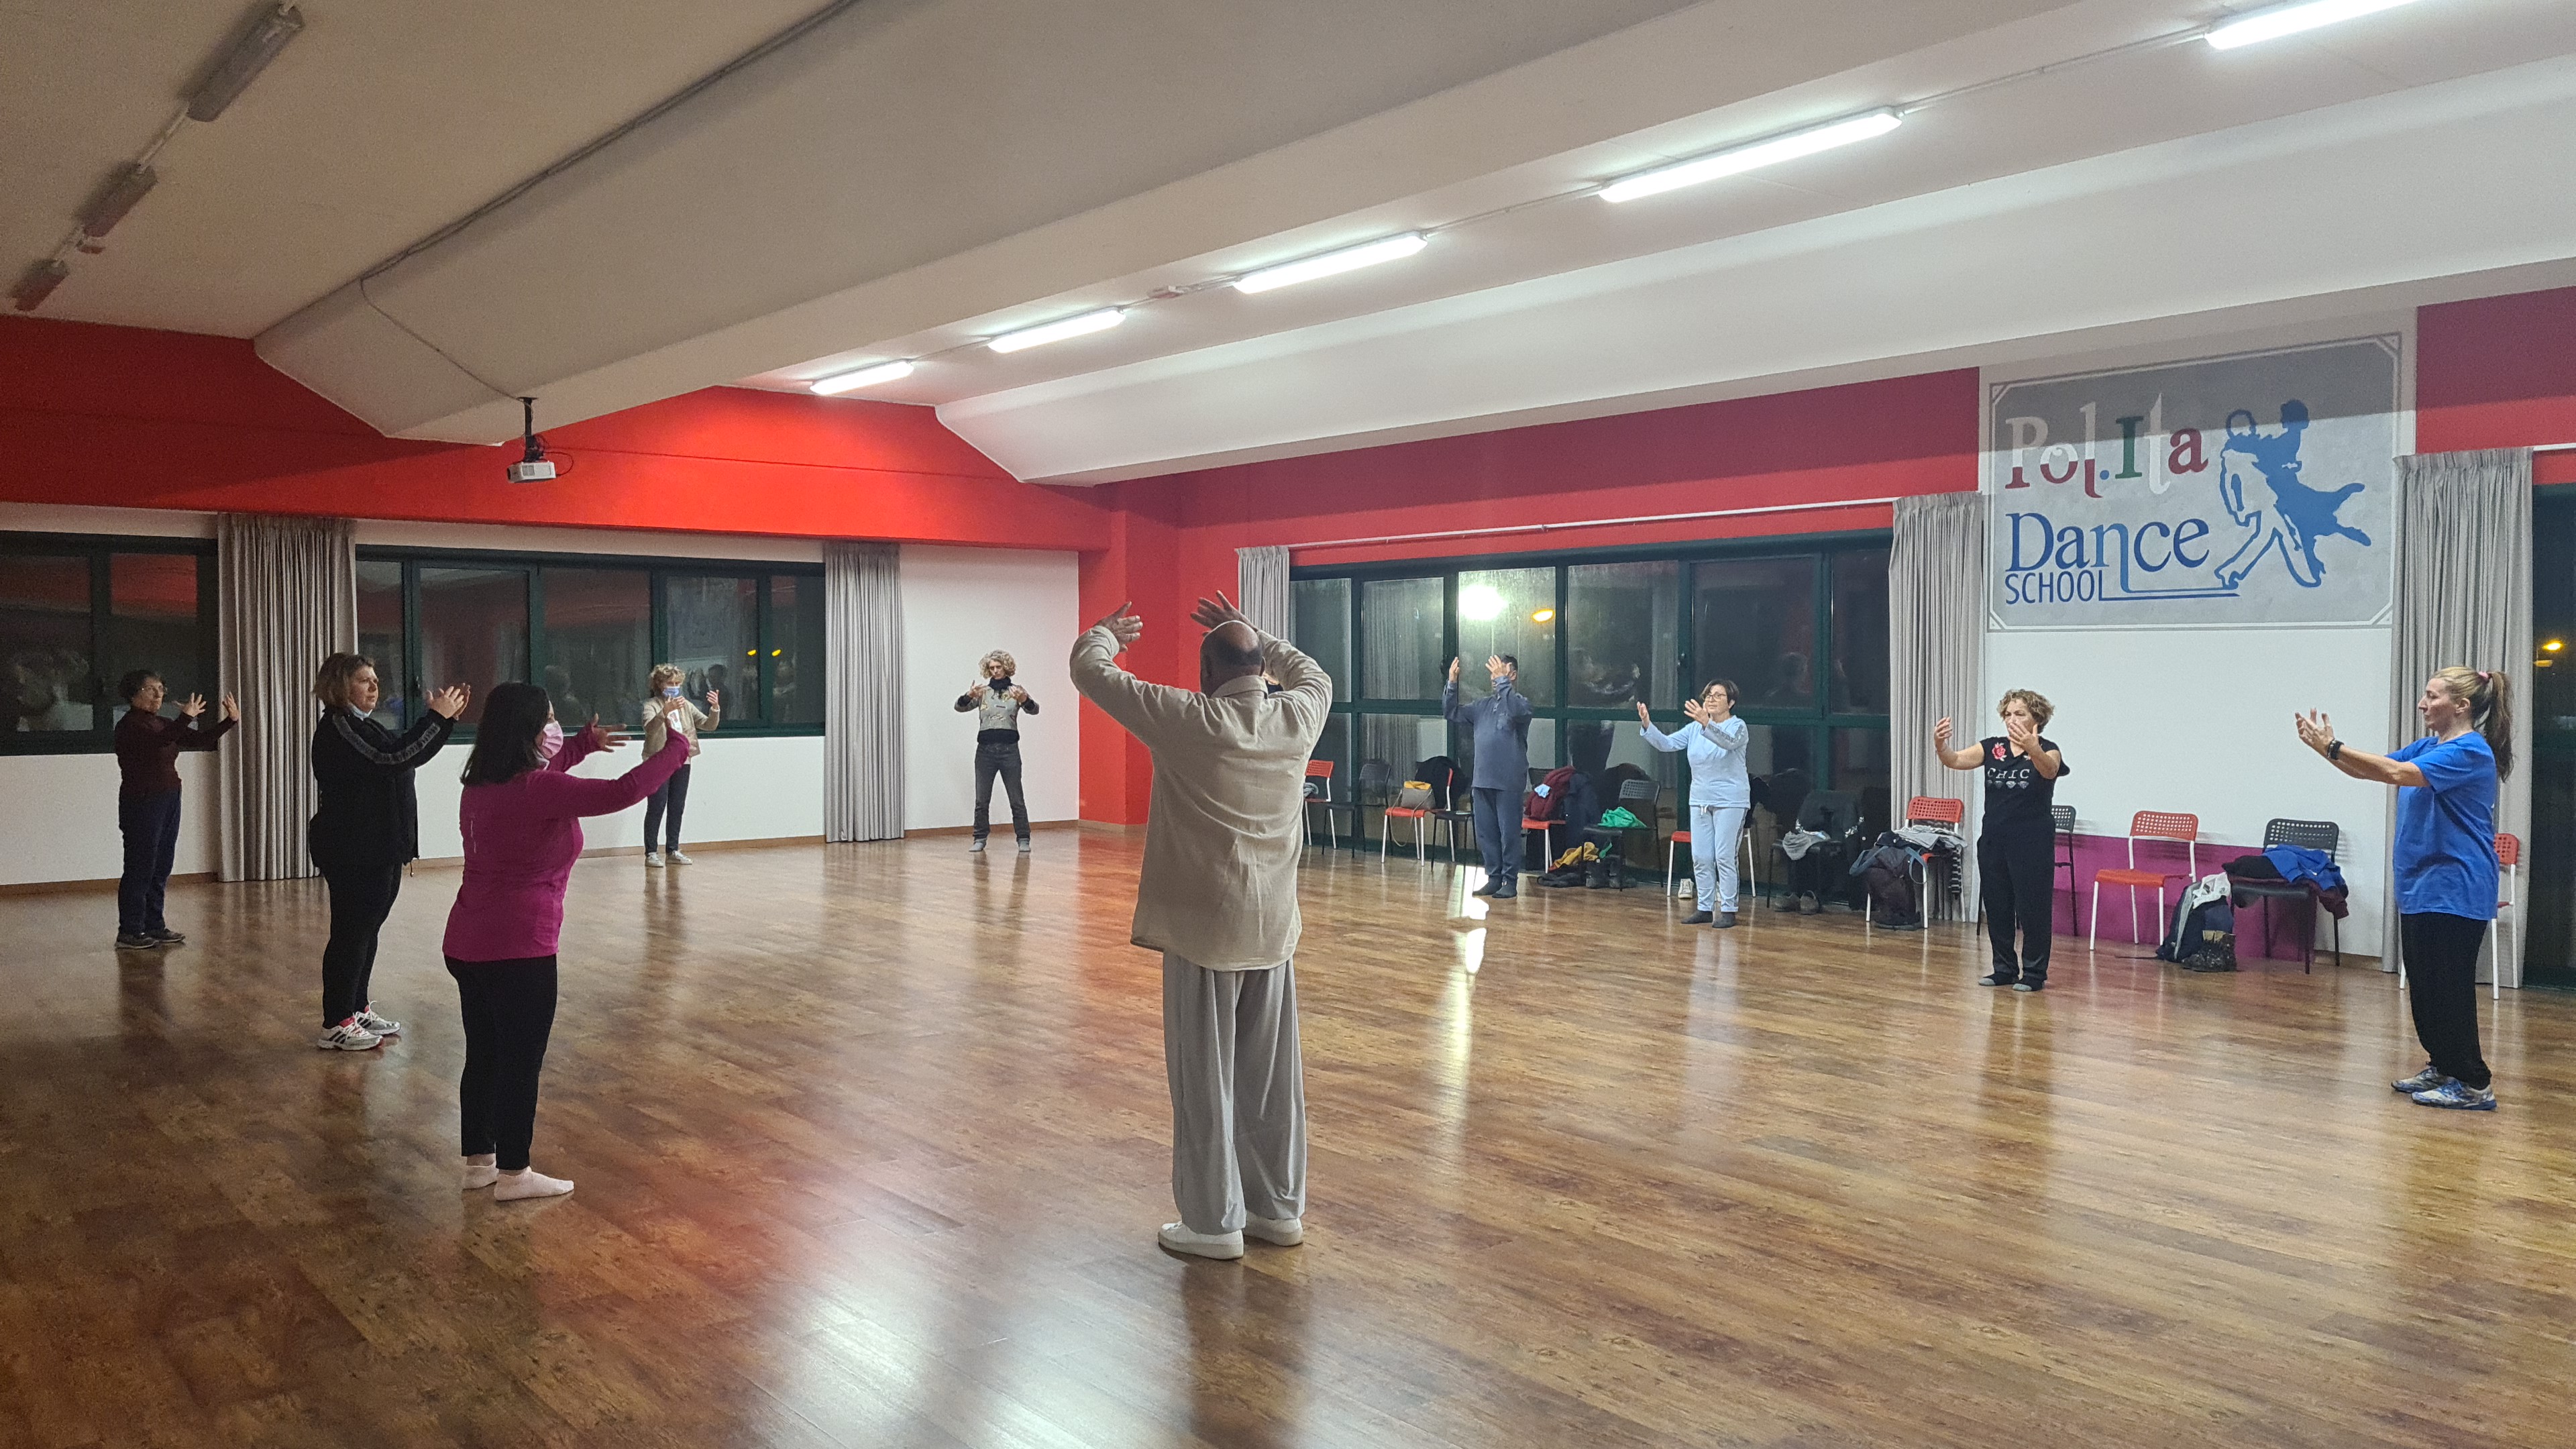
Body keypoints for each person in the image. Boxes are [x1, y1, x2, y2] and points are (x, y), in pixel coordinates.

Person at [1069, 591, 1330, 1261]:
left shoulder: (1189, 718)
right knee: (1271, 1080)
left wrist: (1106, 633)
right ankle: (1277, 1211)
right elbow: (1313, 674)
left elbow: (1090, 671)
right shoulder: (1299, 716)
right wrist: (1257, 634)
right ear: (1262, 670)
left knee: (1204, 1080)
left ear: (1206, 674)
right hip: (1273, 930)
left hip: (1204, 931)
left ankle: (1214, 1224)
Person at [443, 684, 690, 1200]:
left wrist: (580, 745)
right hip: (519, 946)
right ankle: (515, 1174)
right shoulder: (537, 790)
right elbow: (623, 791)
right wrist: (676, 747)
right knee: (520, 1062)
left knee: (484, 1054)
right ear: (530, 731)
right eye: (550, 719)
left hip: (467, 941)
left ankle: (479, 1163)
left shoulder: (481, 785)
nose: (555, 727)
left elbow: (546, 780)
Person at [2296, 667, 2512, 1110]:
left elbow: (2396, 772)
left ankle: (2474, 1083)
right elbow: (2373, 771)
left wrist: (2334, 747)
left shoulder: (2470, 751)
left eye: (2432, 696)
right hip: (2422, 885)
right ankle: (2444, 1065)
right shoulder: (2431, 747)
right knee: (2427, 988)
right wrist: (2324, 750)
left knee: (2449, 988)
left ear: (2461, 706)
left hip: (2456, 886)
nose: (2422, 704)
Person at [307, 653, 470, 1051]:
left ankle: (356, 1007)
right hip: (353, 849)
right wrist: (436, 719)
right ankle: (336, 1022)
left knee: (367, 931)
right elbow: (392, 759)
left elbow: (403, 752)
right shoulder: (339, 727)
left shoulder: (365, 726)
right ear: (340, 686)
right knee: (351, 934)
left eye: (376, 679)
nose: (375, 686)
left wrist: (442, 721)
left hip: (379, 847)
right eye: (364, 680)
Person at [1933, 690, 2069, 991]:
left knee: (2033, 909)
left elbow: (2050, 771)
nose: (2012, 719)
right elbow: (1955, 760)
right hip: (1994, 840)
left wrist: (2032, 748)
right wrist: (1941, 746)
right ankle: (2004, 969)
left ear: (2036, 718)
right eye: (2008, 714)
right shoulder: (1992, 747)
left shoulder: (2049, 749)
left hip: (2032, 843)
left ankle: (2034, 974)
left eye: (2020, 714)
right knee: (1998, 906)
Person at [111, 671, 236, 951]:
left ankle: (154, 925)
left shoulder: (162, 723)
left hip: (169, 798)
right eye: (151, 689)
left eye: (161, 688)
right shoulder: (129, 726)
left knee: (161, 865)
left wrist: (230, 720)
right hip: (142, 801)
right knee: (140, 866)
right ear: (134, 694)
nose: (159, 695)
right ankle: (129, 931)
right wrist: (185, 717)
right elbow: (160, 741)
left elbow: (200, 740)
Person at [1638, 678, 1750, 927]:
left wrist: (1707, 723)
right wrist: (1647, 724)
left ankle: (1729, 910)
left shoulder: (1738, 726)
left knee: (1724, 855)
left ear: (1731, 702)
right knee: (1701, 855)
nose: (1711, 699)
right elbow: (1667, 744)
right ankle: (1705, 908)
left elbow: (1728, 742)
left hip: (1731, 800)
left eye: (1718, 695)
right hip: (1700, 799)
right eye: (1708, 695)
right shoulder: (1694, 729)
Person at [1442, 653, 1534, 898]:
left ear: (1512, 675)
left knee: (1509, 834)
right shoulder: (1481, 706)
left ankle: (1510, 881)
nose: (1494, 678)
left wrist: (1503, 683)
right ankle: (1494, 878)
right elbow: (1451, 712)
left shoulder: (1521, 705)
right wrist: (1452, 683)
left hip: (1508, 781)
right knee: (1487, 834)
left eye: (1500, 672)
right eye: (1493, 674)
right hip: (1482, 780)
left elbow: (1516, 711)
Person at [955, 649, 1040, 853]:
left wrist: (1025, 699)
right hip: (985, 752)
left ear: (1006, 667)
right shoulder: (982, 692)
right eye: (992, 668)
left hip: (1009, 751)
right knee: (981, 800)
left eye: (999, 667)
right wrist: (968, 695)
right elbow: (959, 707)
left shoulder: (1016, 691)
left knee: (1016, 799)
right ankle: (980, 838)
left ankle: (1023, 838)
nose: (995, 671)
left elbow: (1034, 710)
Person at [639, 663, 721, 866]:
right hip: (658, 761)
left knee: (677, 806)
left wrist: (715, 709)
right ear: (660, 684)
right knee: (657, 805)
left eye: (678, 683)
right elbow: (650, 729)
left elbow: (708, 725)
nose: (675, 687)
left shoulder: (686, 706)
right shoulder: (651, 705)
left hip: (682, 761)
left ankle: (673, 850)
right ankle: (651, 852)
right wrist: (664, 712)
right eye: (670, 683)